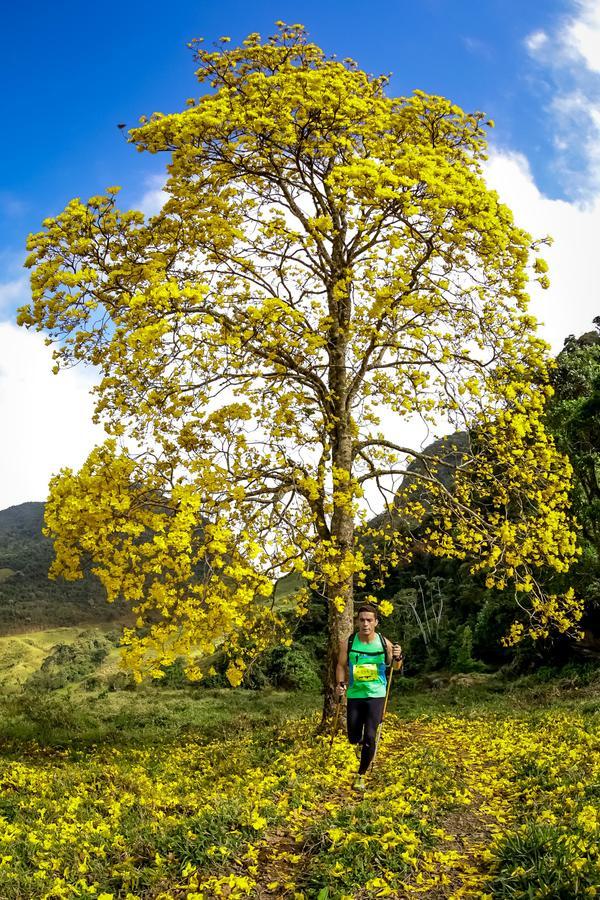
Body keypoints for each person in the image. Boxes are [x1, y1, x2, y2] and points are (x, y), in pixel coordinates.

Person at [336, 603, 403, 792]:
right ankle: (359, 744)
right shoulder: (349, 643)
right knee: (353, 735)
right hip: (355, 695)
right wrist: (340, 684)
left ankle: (361, 775)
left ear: (376, 622)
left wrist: (398, 657)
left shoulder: (384, 643)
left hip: (376, 695)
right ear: (357, 622)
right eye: (362, 620)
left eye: (369, 620)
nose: (365, 624)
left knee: (370, 736)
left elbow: (395, 667)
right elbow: (340, 665)